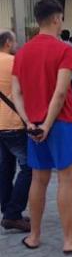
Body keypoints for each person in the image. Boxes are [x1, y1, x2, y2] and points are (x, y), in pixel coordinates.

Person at [12, 0, 72, 253]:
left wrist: (31, 122)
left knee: (38, 179)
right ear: (57, 18)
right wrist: (48, 124)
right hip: (60, 123)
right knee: (67, 179)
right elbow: (61, 92)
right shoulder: (64, 49)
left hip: (34, 124)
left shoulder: (22, 52)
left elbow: (16, 92)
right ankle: (71, 239)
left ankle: (34, 235)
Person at [0, 30, 31, 233]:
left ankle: (7, 210)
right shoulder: (13, 63)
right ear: (9, 43)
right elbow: (25, 91)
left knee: (4, 169)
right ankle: (12, 214)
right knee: (29, 167)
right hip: (13, 123)